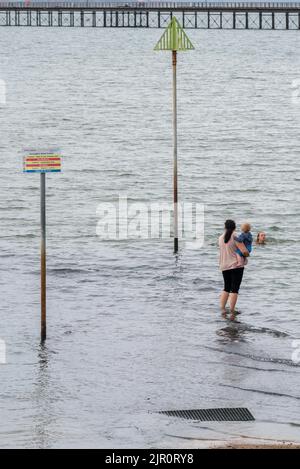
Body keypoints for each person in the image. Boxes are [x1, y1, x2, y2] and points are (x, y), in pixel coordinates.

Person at [219, 220, 249, 321]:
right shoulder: (236, 237)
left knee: (226, 288)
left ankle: (222, 309)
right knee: (234, 289)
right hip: (236, 266)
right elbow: (244, 251)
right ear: (235, 227)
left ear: (225, 227)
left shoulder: (220, 238)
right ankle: (232, 311)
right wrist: (247, 255)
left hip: (224, 266)